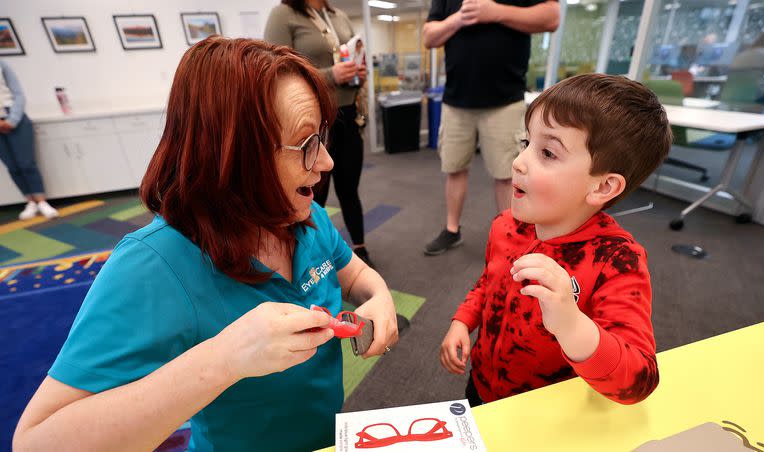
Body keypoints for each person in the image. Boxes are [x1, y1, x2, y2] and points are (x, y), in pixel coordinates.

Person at [13, 38, 398, 452]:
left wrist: (378, 296)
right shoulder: (157, 264)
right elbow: (36, 441)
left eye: (321, 137)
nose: (326, 162)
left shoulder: (306, 219)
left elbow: (355, 273)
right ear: (231, 157)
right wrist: (226, 358)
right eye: (305, 145)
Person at [439, 74, 671, 407]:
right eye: (525, 143)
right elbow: (490, 281)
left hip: (547, 414)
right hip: (482, 386)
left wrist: (571, 323)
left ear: (603, 187)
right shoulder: (508, 225)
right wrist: (464, 320)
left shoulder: (616, 260)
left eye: (548, 152)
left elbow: (639, 381)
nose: (518, 162)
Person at [422, 0, 560, 256]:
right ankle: (452, 230)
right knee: (454, 169)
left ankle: (513, 238)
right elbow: (429, 36)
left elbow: (551, 17)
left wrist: (496, 12)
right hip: (456, 100)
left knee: (508, 174)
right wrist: (459, 18)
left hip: (504, 100)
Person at [266, 0, 374, 268]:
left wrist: (357, 72)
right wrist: (331, 75)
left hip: (348, 115)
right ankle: (307, 257)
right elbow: (275, 71)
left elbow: (352, 53)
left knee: (350, 189)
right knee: (312, 193)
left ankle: (359, 248)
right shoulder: (284, 15)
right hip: (312, 122)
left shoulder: (336, 15)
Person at [0, 59, 58, 220]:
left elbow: (18, 94)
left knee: (26, 164)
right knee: (12, 166)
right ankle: (30, 201)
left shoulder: (3, 65)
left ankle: (42, 201)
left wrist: (11, 120)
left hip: (15, 119)